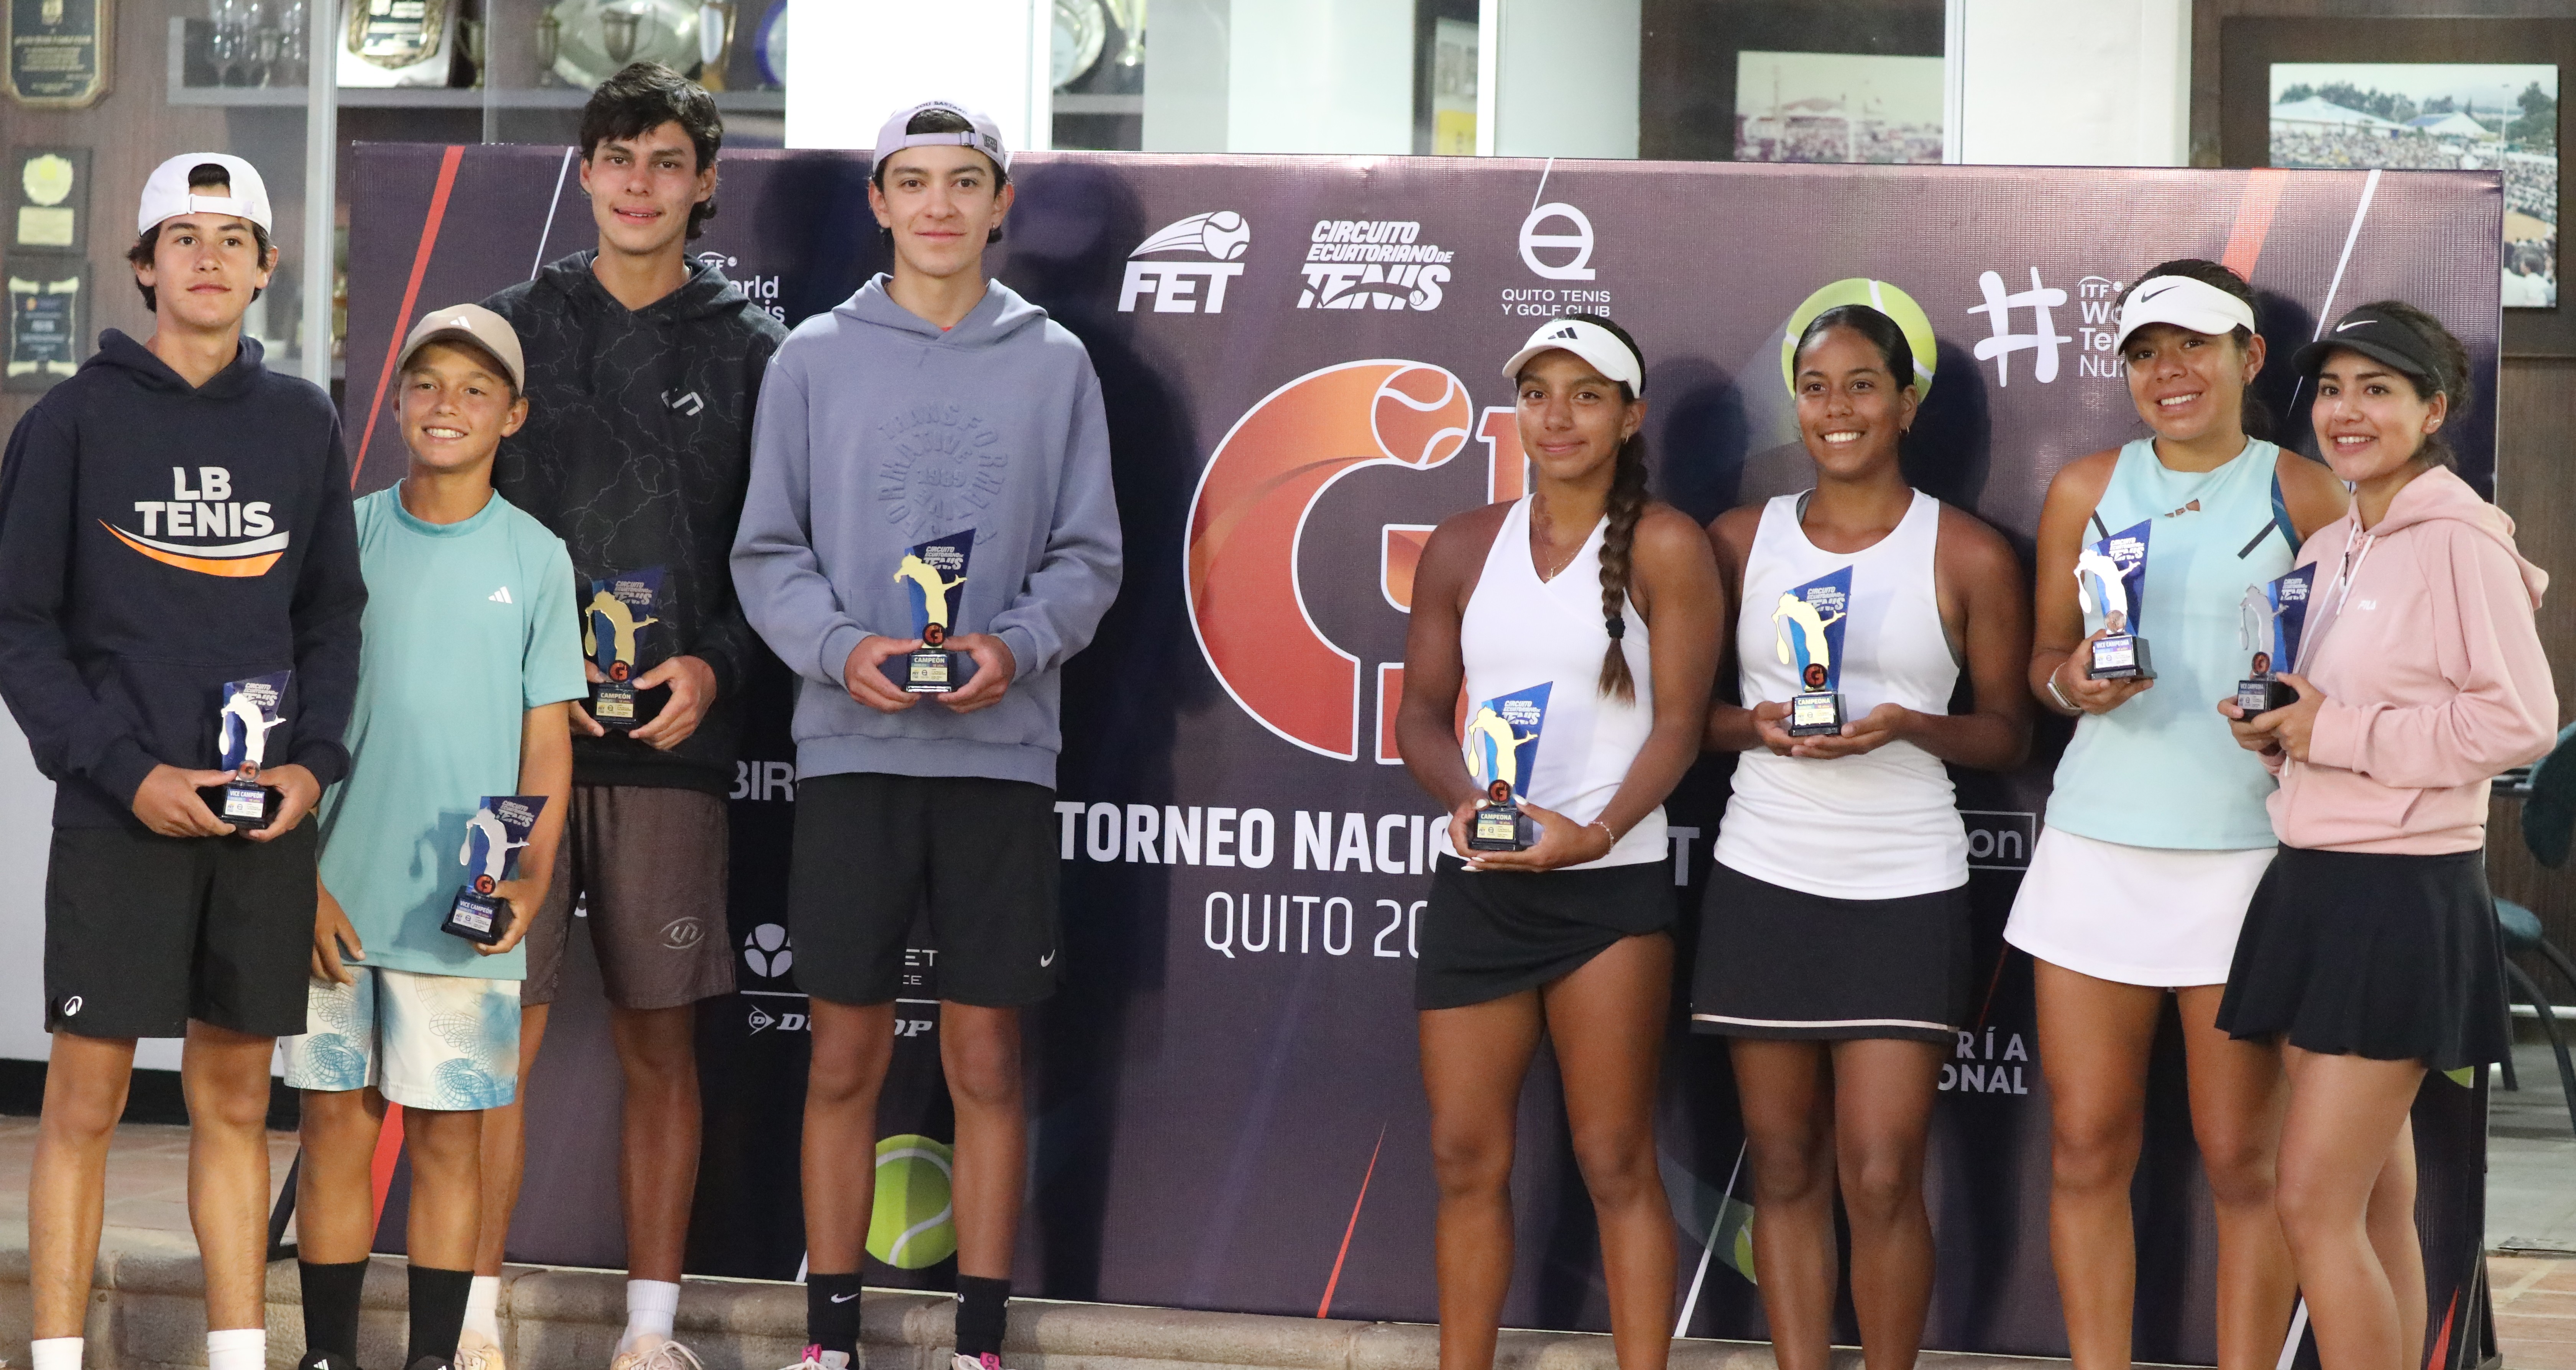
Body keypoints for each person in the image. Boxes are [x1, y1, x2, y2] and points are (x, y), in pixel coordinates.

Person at [731, 100, 1121, 1370]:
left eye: (965, 182)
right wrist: (845, 651)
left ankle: (980, 1345)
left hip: (1002, 752)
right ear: (879, 203)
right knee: (841, 1053)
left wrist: (1018, 646)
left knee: (988, 1056)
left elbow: (1090, 556)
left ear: (1001, 204)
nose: (939, 205)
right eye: (915, 181)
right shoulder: (812, 359)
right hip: (853, 748)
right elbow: (768, 552)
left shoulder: (1055, 361)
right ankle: (830, 1343)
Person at [0, 153, 365, 1370]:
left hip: (264, 822)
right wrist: (123, 770)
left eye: (234, 239)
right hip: (123, 815)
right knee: (84, 1102)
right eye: (185, 238)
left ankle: (237, 1358)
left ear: (267, 269)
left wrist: (313, 768)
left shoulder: (303, 422)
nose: (210, 258)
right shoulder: (71, 421)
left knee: (237, 1101)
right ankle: (57, 1358)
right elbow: (19, 628)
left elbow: (332, 620)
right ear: (145, 265)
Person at [476, 62, 786, 1370]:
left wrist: (715, 669)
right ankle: (470, 1320)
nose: (640, 184)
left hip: (675, 746)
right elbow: (452, 530)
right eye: (618, 158)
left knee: (663, 1044)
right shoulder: (508, 330)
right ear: (586, 173)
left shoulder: (758, 352)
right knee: (494, 1036)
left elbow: (784, 559)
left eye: (667, 161)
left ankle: (649, 1337)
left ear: (705, 182)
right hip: (517, 747)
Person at [2005, 259, 2348, 1370]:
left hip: (2245, 860)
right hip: (2095, 850)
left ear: (2251, 357)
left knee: (2244, 1160)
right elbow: (2045, 660)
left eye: (2195, 346)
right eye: (2147, 353)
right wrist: (2073, 687)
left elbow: (2351, 673)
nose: (2170, 371)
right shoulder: (2084, 486)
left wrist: (2293, 723)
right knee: (2085, 1147)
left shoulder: (2306, 490)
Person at [1692, 305, 2031, 1370]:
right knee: (1784, 1165)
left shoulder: (1967, 551)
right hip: (1764, 873)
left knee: (1881, 1173)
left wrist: (1907, 725)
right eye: (1816, 387)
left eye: (1862, 385)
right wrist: (1757, 725)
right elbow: (1678, 719)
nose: (1837, 409)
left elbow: (2007, 734)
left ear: (1906, 403)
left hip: (1905, 882)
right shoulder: (1738, 542)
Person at [2221, 302, 2554, 1370]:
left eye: (2378, 390)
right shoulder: (2332, 544)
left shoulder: (2461, 541)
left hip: (2400, 896)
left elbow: (2518, 721)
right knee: (2367, 1207)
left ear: (2433, 411)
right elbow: (2333, 717)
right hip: (2314, 882)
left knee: (2312, 1205)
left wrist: (2336, 731)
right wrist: (2281, 736)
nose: (2347, 412)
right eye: (2331, 389)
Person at [1394, 314, 1720, 1370]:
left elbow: (1680, 727)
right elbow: (1420, 716)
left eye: (1587, 395)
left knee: (1615, 1157)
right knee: (1463, 1158)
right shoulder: (1461, 545)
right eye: (1537, 393)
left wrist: (1595, 835)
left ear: (1630, 418)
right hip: (1481, 887)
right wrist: (1465, 802)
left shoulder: (1668, 545)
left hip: (1609, 892)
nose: (1558, 416)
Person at [281, 306, 583, 1370]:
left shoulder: (538, 557)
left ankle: (435, 1359)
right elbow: (290, 718)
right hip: (335, 902)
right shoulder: (344, 536)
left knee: (451, 1138)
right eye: (427, 384)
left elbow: (547, 742)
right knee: (334, 1132)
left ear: (514, 414)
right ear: (398, 400)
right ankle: (326, 1356)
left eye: (474, 388)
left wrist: (529, 882)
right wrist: (300, 879)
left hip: (466, 911)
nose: (447, 405)